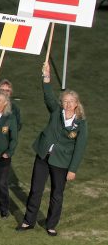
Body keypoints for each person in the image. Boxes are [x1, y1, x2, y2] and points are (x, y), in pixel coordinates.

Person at [18, 64, 87, 235]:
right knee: (36, 189)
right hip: (43, 156)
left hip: (62, 162)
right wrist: (46, 77)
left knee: (57, 194)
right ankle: (28, 221)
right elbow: (48, 95)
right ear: (62, 103)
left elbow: (80, 148)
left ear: (76, 104)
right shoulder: (56, 111)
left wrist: (73, 170)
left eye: (71, 101)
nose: (68, 104)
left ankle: (51, 224)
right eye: (65, 101)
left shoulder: (81, 124)